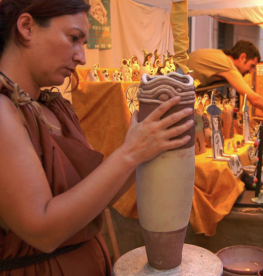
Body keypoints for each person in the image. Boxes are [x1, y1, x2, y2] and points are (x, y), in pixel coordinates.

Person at [0, 0, 193, 274]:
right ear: (27, 27)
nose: (82, 58)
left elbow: (95, 199)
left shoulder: (53, 108)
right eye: (74, 38)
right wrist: (130, 154)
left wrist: (147, 148)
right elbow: (43, 232)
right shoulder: (3, 113)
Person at [187, 40, 263, 132]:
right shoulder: (227, 65)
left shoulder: (218, 56)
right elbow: (255, 100)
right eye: (252, 66)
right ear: (242, 57)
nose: (251, 72)